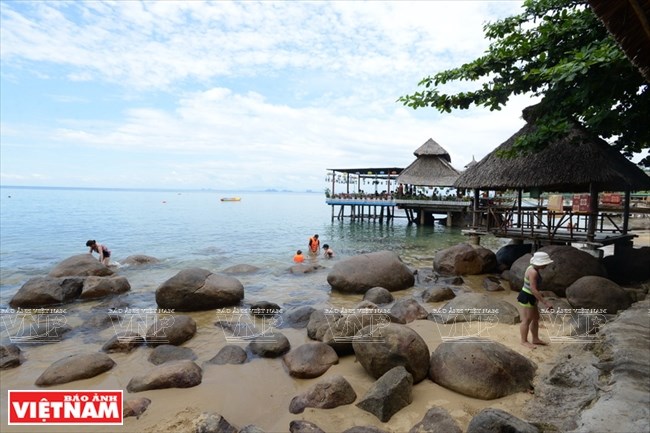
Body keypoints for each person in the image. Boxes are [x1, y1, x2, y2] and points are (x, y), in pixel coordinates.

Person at [517, 251, 554, 349]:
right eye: (545, 263)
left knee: (535, 318)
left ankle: (535, 338)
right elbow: (533, 289)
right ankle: (524, 341)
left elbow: (533, 288)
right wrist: (545, 302)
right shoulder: (533, 272)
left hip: (531, 296)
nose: (546, 265)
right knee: (526, 320)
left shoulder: (532, 268)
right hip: (527, 296)